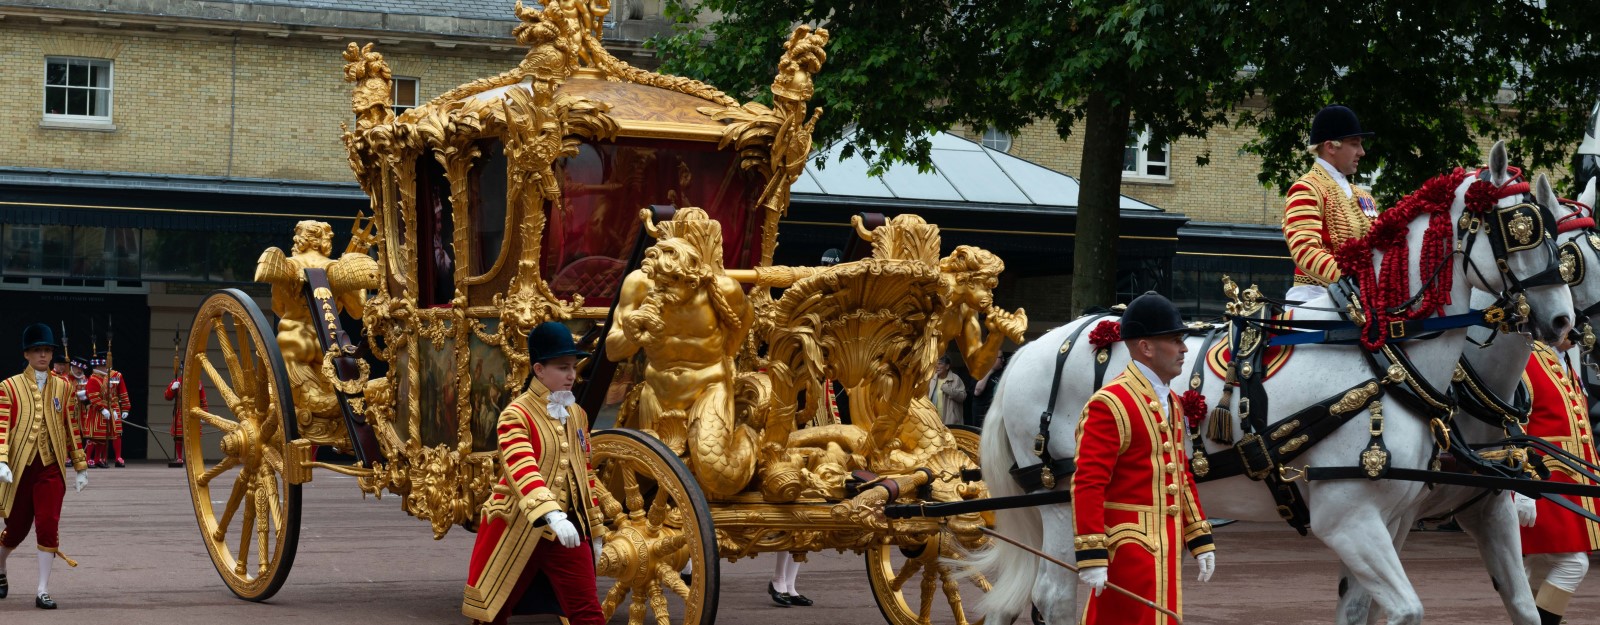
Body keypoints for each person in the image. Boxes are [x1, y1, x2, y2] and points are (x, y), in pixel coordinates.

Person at [1073, 292, 1215, 625]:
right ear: (1146, 347)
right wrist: (1092, 553)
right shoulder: (1111, 403)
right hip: (1126, 549)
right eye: (1175, 340)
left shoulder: (1171, 402)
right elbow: (1089, 483)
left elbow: (1179, 474)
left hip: (1164, 545)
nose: (1183, 349)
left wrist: (1198, 537)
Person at [462, 322, 606, 625]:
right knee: (490, 614)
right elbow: (521, 466)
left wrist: (595, 529)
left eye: (573, 367)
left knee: (589, 614)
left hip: (568, 532)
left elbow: (584, 474)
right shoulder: (517, 413)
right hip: (517, 528)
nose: (571, 375)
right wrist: (551, 513)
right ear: (539, 370)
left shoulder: (577, 414)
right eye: (562, 367)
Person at [0, 323, 90, 609]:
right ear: (26, 354)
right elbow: (1, 427)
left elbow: (71, 427)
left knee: (48, 524)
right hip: (19, 467)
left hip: (50, 467)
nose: (43, 355)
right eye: (37, 350)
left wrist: (81, 466)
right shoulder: (8, 386)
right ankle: (1, 568)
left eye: (47, 350)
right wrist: (1, 460)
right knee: (15, 529)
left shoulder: (64, 388)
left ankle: (42, 589)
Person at [1513, 338, 1599, 625]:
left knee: (1536, 565)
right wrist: (1521, 484)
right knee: (1574, 563)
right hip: (1542, 481)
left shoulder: (1565, 361)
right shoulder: (1526, 357)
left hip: (1568, 483)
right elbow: (1516, 427)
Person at [1283, 105, 1379, 302]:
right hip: (1316, 297)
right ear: (1330, 147)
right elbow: (1305, 250)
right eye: (1354, 144)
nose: (1362, 152)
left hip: (1362, 297)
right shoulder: (1307, 188)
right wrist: (1355, 281)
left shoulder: (1364, 197)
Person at [85, 355, 128, 468]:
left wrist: (126, 408)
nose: (106, 367)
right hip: (99, 410)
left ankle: (101, 458)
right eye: (104, 365)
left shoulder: (115, 375)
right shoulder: (94, 378)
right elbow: (93, 396)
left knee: (111, 434)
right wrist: (103, 408)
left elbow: (122, 393)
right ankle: (90, 458)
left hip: (112, 407)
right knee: (95, 436)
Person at [163, 376, 207, 468]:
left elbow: (202, 398)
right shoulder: (177, 381)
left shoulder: (197, 382)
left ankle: (193, 458)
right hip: (180, 412)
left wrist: (204, 413)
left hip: (193, 412)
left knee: (193, 437)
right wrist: (171, 389)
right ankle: (179, 457)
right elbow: (167, 396)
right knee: (178, 437)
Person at [970, 351, 1009, 427]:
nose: (1003, 360)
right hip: (981, 415)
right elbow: (978, 391)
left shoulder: (1003, 373)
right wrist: (991, 370)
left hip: (996, 414)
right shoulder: (979, 372)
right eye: (1000, 358)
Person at [929, 356, 967, 427]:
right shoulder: (932, 379)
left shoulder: (956, 379)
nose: (937, 366)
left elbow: (962, 397)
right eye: (936, 364)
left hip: (950, 420)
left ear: (947, 366)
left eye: (940, 364)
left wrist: (948, 389)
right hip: (934, 420)